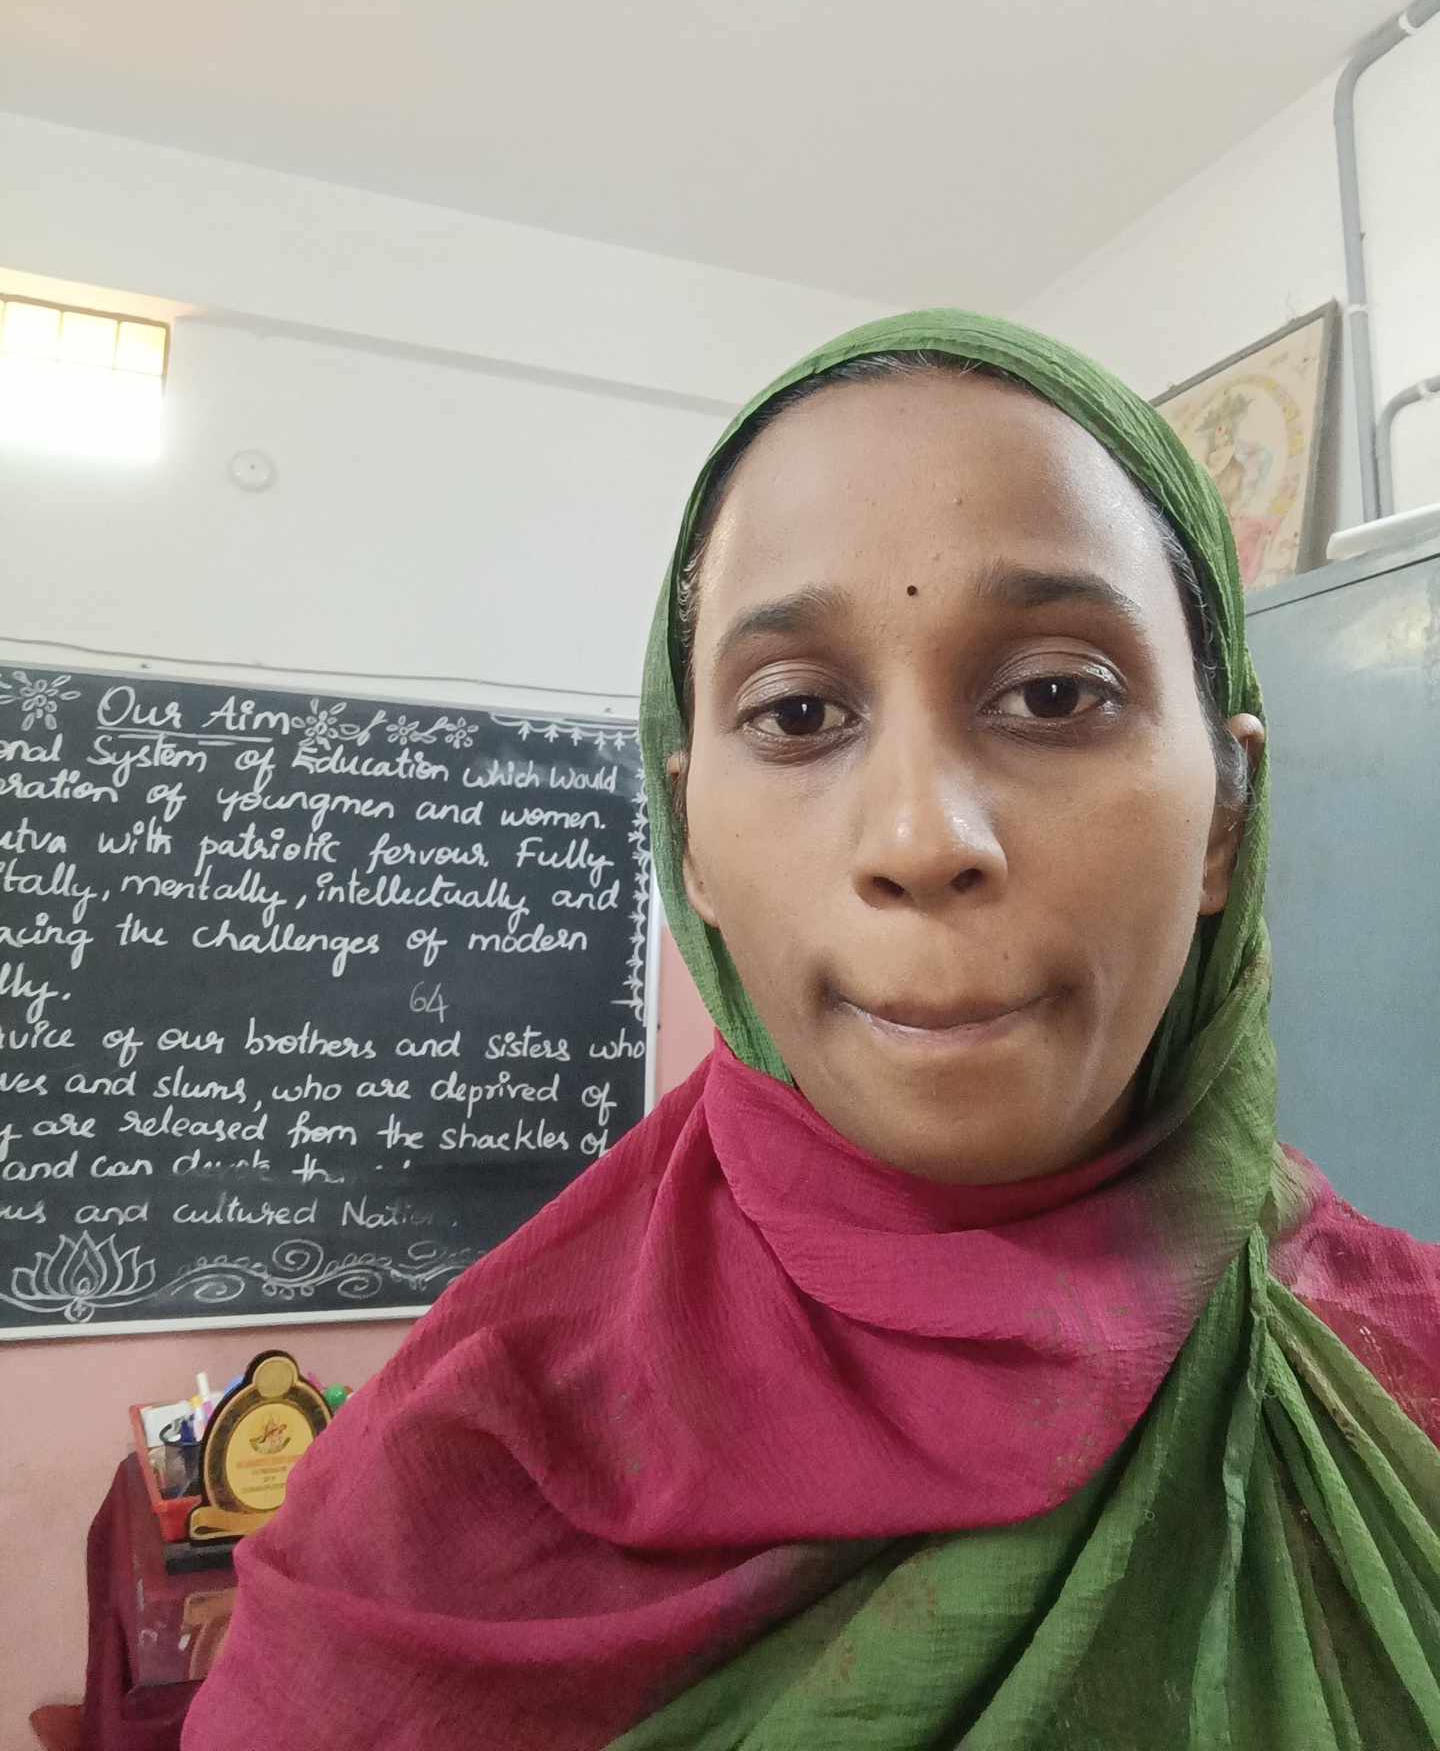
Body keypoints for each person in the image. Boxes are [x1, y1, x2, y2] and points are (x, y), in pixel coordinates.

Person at [183, 311, 1440, 1750]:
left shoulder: (1404, 1369)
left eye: (1054, 694)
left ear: (1223, 813)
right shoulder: (442, 1505)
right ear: (692, 843)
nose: (922, 838)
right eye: (796, 716)